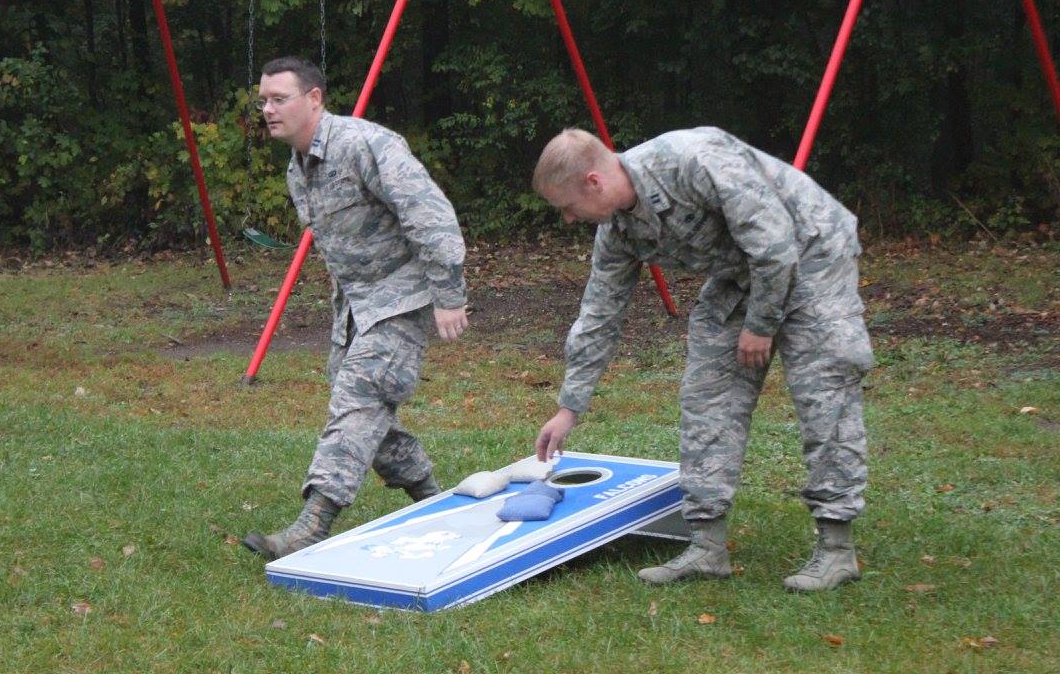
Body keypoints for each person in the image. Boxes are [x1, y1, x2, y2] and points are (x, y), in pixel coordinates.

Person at [531, 127, 873, 592]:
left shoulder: (692, 159)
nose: (569, 219)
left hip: (812, 254)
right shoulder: (618, 228)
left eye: (568, 207)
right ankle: (707, 545)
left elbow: (774, 243)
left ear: (594, 181)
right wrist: (569, 407)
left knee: (824, 392)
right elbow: (599, 313)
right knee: (707, 396)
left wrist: (761, 325)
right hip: (742, 274)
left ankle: (836, 549)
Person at [242, 57, 469, 560]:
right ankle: (433, 500)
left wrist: (449, 296)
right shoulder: (297, 171)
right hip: (355, 307)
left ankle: (312, 524)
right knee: (371, 416)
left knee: (359, 398)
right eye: (263, 100)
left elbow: (430, 215)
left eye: (280, 98)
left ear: (315, 98)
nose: (268, 109)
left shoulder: (366, 145)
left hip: (402, 298)